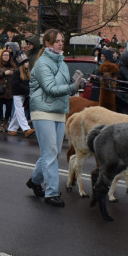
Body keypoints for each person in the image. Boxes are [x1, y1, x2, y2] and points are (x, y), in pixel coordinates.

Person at [26, 29, 79, 206]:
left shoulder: (62, 63)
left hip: (58, 111)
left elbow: (63, 86)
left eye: (62, 40)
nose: (60, 43)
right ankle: (52, 193)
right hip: (42, 111)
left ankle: (34, 181)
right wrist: (72, 87)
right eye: (57, 41)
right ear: (48, 43)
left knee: (53, 153)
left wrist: (77, 82)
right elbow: (50, 89)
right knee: (50, 154)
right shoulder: (42, 63)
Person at [6, 52, 34, 138]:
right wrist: (28, 90)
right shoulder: (17, 72)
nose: (28, 63)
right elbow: (16, 84)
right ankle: (26, 129)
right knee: (20, 111)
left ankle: (11, 129)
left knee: (17, 112)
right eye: (26, 62)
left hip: (24, 94)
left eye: (28, 62)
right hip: (17, 94)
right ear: (22, 64)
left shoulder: (26, 72)